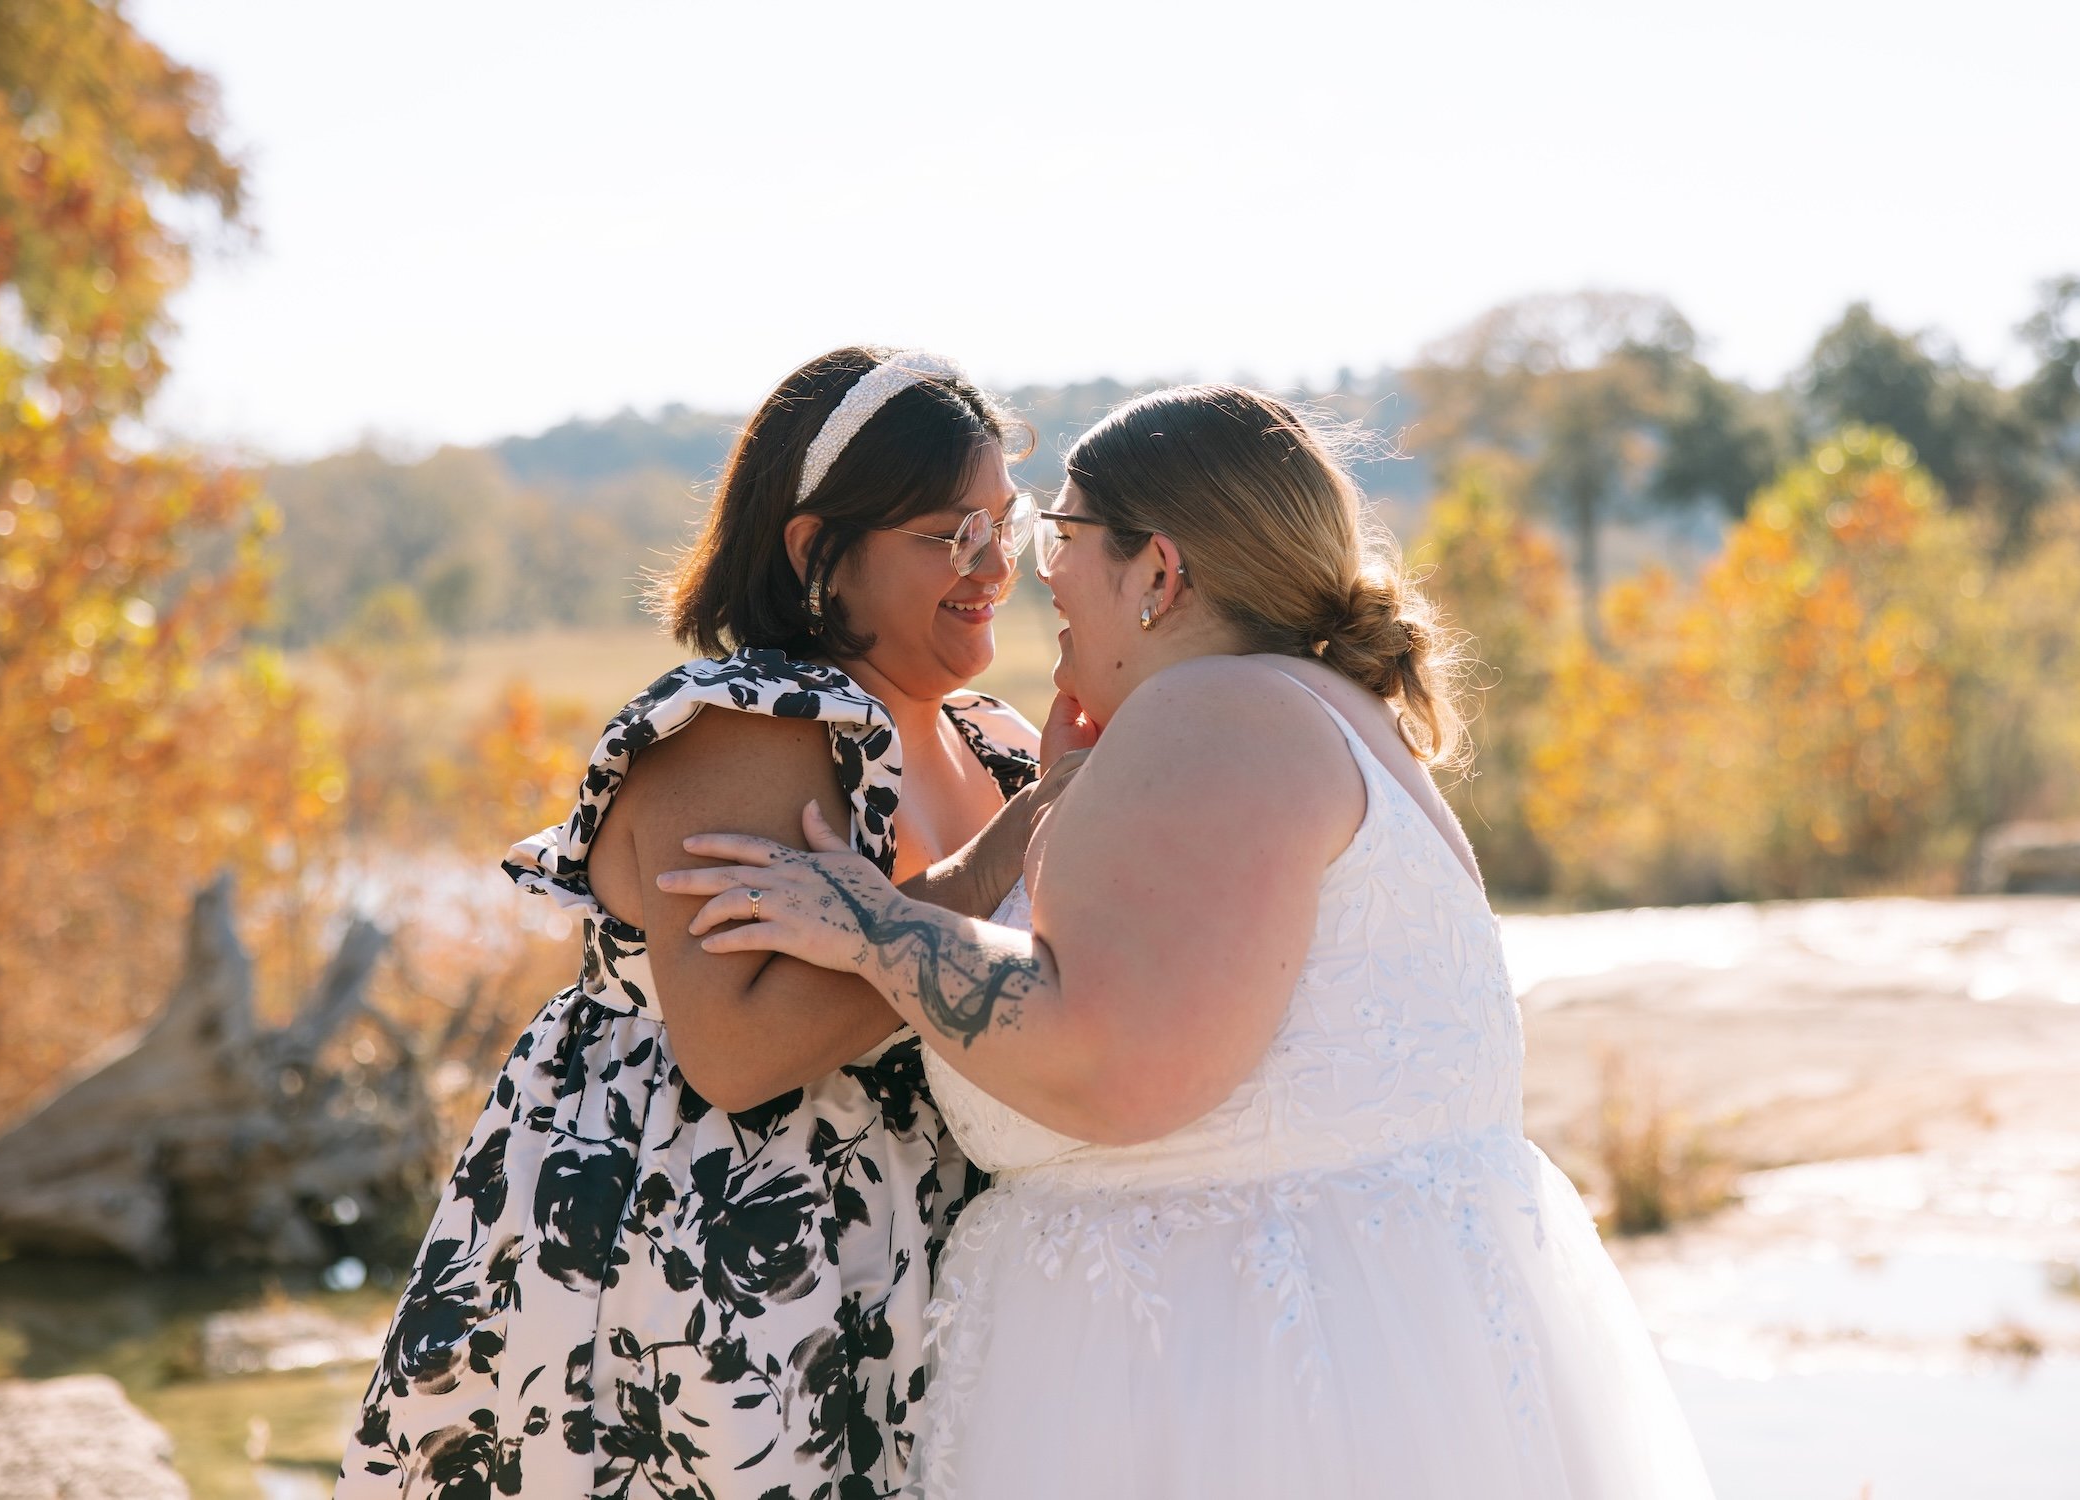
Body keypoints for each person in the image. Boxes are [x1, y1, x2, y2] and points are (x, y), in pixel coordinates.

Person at [665, 385, 1716, 1498]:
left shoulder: (1217, 714)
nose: (1037, 572)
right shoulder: (1318, 710)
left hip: (1221, 1390)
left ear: (1158, 571)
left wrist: (869, 923)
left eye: (1061, 535)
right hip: (1356, 1357)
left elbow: (1113, 1066)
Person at [338, 348, 1081, 1498]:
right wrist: (1014, 839)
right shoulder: (751, 729)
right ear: (813, 550)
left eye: (1003, 522)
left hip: (918, 1238)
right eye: (948, 534)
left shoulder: (992, 734)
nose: (993, 567)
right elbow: (730, 1055)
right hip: (702, 1257)